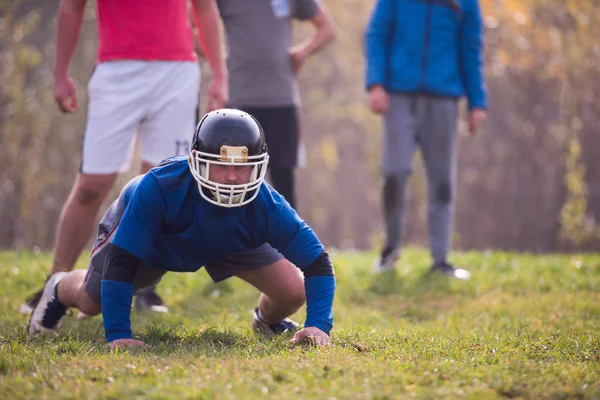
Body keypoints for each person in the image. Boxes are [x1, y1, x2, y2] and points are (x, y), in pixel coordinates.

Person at [27, 109, 335, 348]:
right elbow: (121, 263)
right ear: (196, 161)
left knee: (293, 291)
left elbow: (316, 261)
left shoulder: (266, 203)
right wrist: (118, 334)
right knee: (91, 301)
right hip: (159, 243)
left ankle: (266, 321)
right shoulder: (158, 188)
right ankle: (59, 286)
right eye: (221, 165)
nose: (231, 177)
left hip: (229, 239)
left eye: (241, 167)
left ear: (257, 165)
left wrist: (319, 324)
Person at [22, 0, 228, 314]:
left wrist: (219, 74)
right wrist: (60, 73)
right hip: (116, 72)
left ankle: (143, 288)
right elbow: (71, 8)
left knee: (161, 186)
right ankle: (55, 283)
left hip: (177, 72)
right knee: (92, 185)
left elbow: (205, 9)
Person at [365, 0, 488, 277]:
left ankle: (441, 260)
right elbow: (377, 34)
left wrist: (477, 102)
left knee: (442, 181)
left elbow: (471, 50)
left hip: (444, 98)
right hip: (398, 95)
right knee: (394, 173)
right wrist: (375, 84)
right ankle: (391, 250)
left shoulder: (467, 3)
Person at [216, 0, 335, 209]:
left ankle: (288, 240)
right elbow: (195, 26)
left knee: (284, 180)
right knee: (235, 179)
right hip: (239, 104)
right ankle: (235, 239)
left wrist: (302, 52)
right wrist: (218, 59)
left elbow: (327, 28)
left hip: (281, 101)